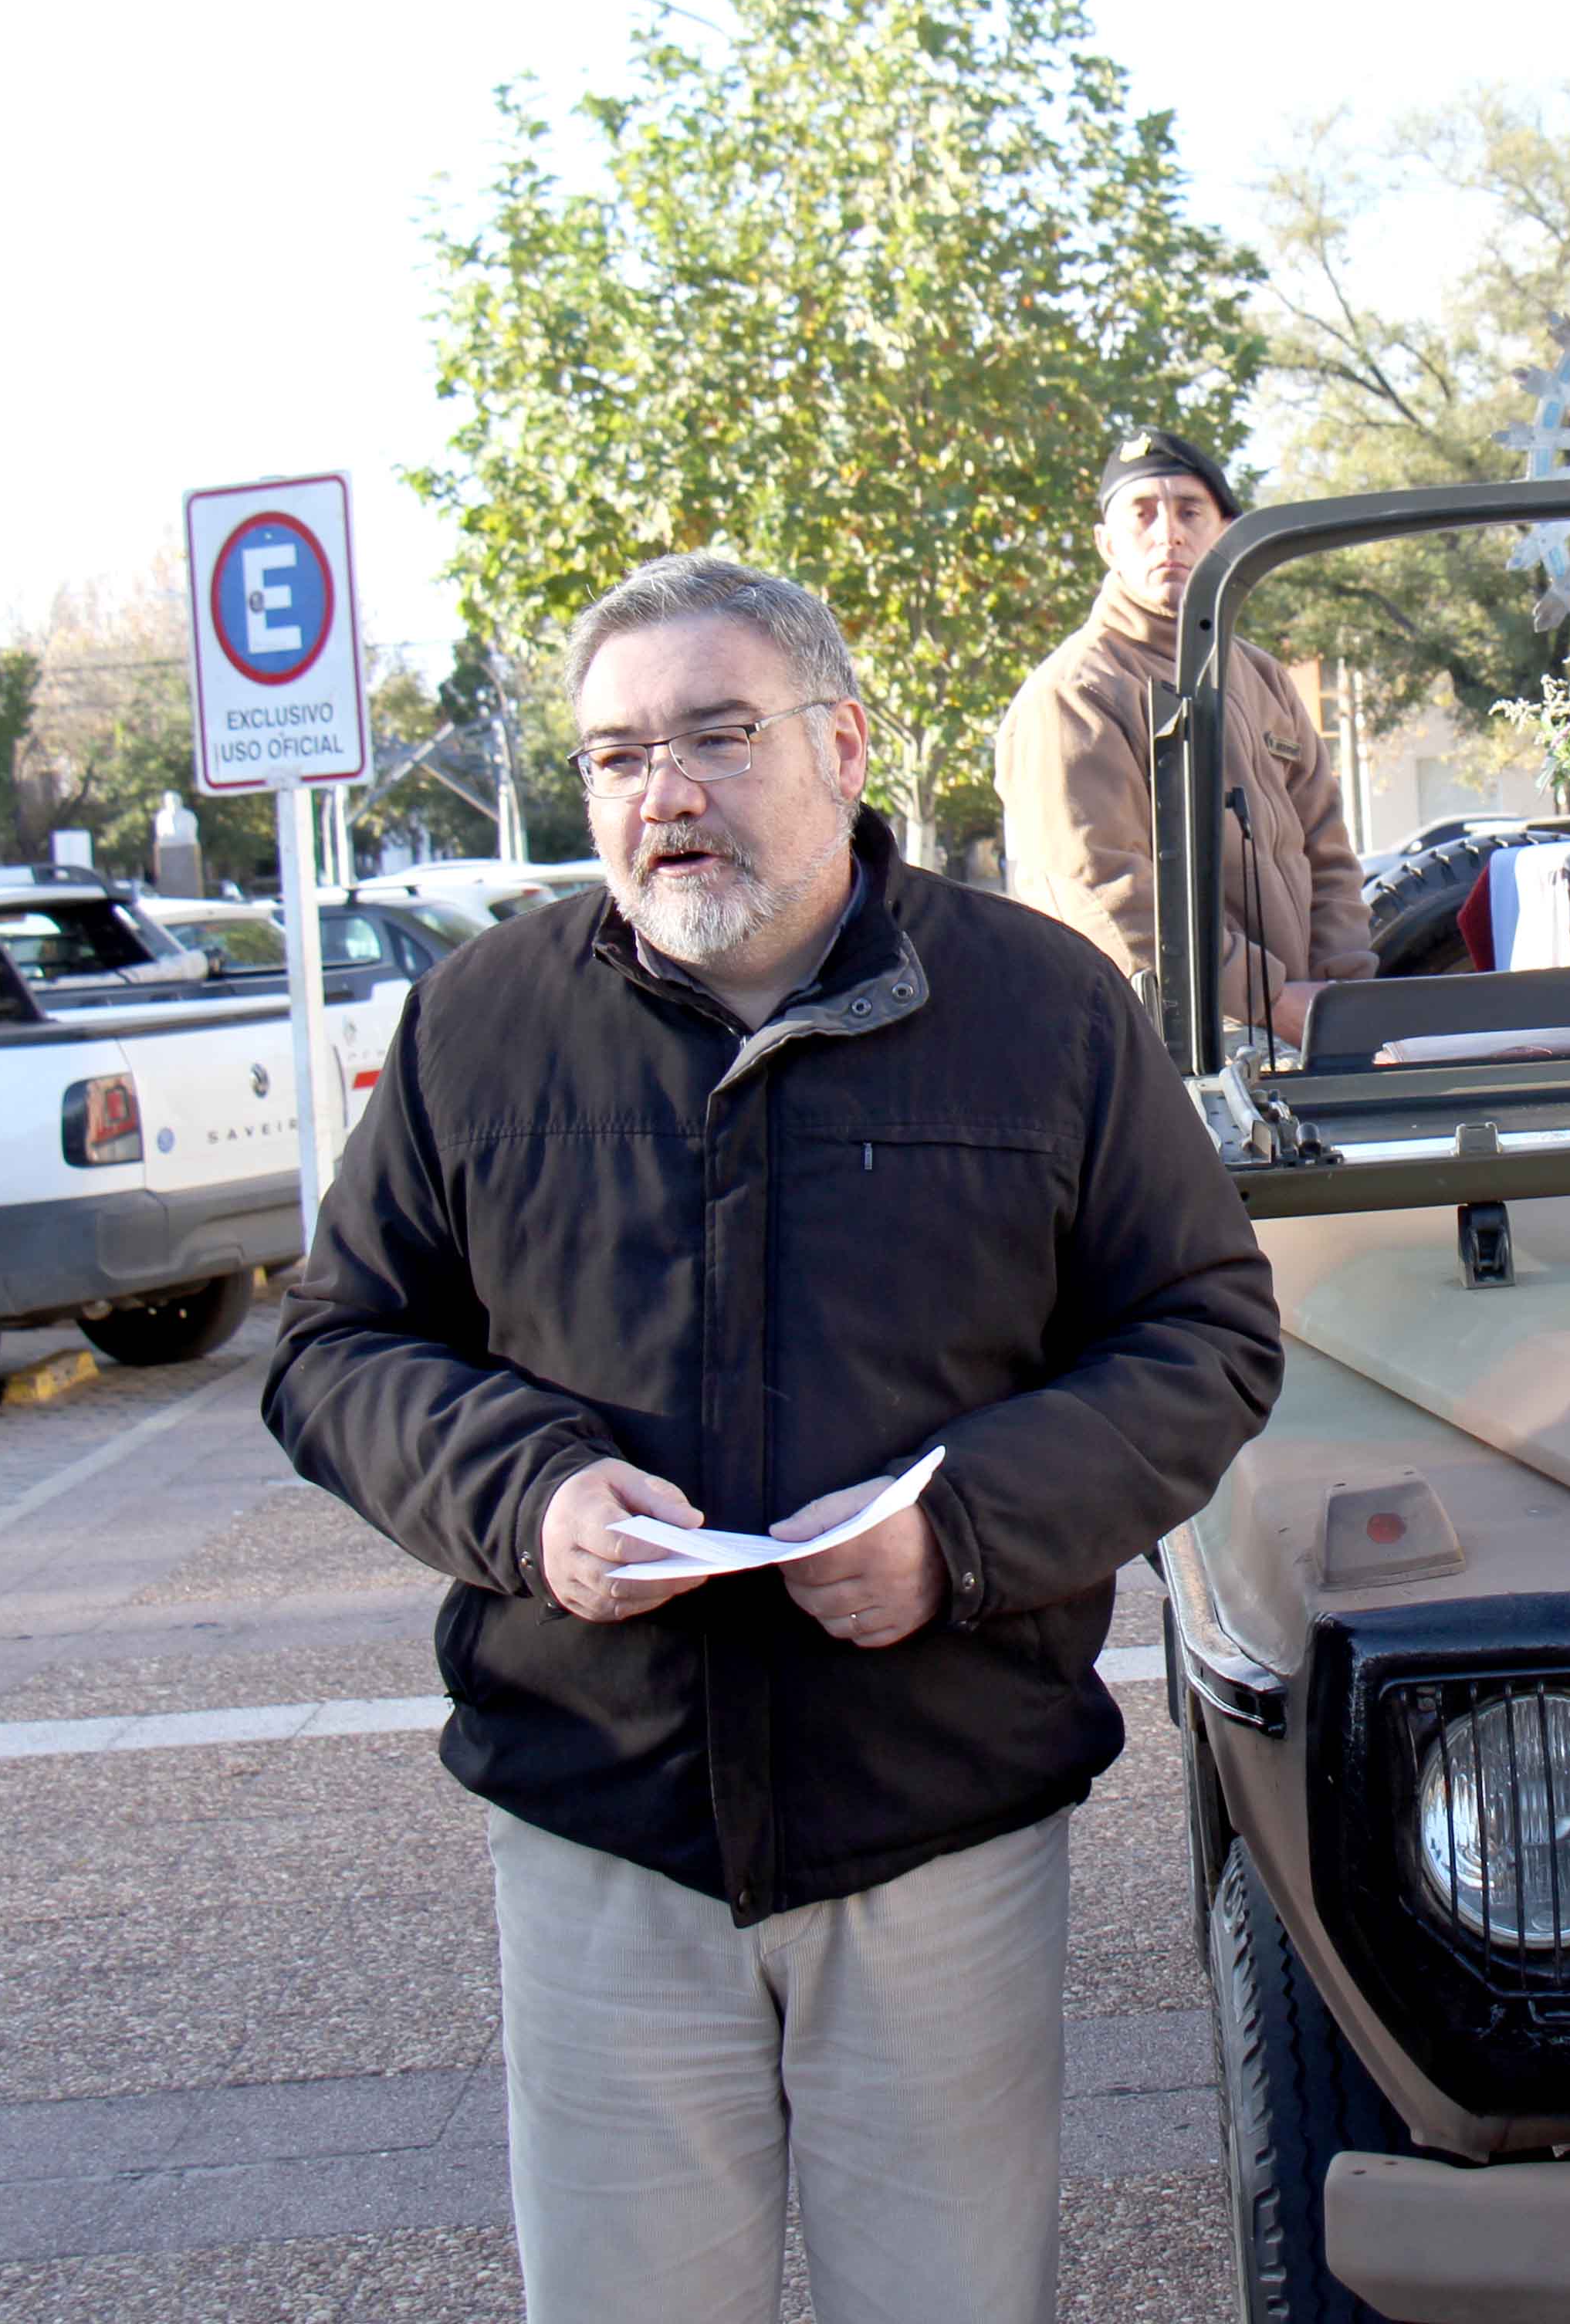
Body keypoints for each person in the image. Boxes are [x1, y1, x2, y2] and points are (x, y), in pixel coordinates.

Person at [264, 553, 1281, 2324]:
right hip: (604, 1832)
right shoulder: (480, 1025)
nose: (663, 793)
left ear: (844, 741)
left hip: (935, 1822)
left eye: (717, 735)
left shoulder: (1042, 1013)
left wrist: (955, 1535)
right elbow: (337, 1345)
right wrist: (530, 1497)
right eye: (615, 755)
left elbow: (1205, 1336)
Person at [997, 430, 1372, 1047]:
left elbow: (1328, 852)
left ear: (1225, 532)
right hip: (1162, 1047)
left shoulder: (1261, 677)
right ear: (1107, 544)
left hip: (1294, 1034)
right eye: (1141, 514)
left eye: (1189, 511)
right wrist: (1268, 999)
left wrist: (1340, 999)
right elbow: (1105, 895)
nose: (1167, 533)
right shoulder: (1077, 693)